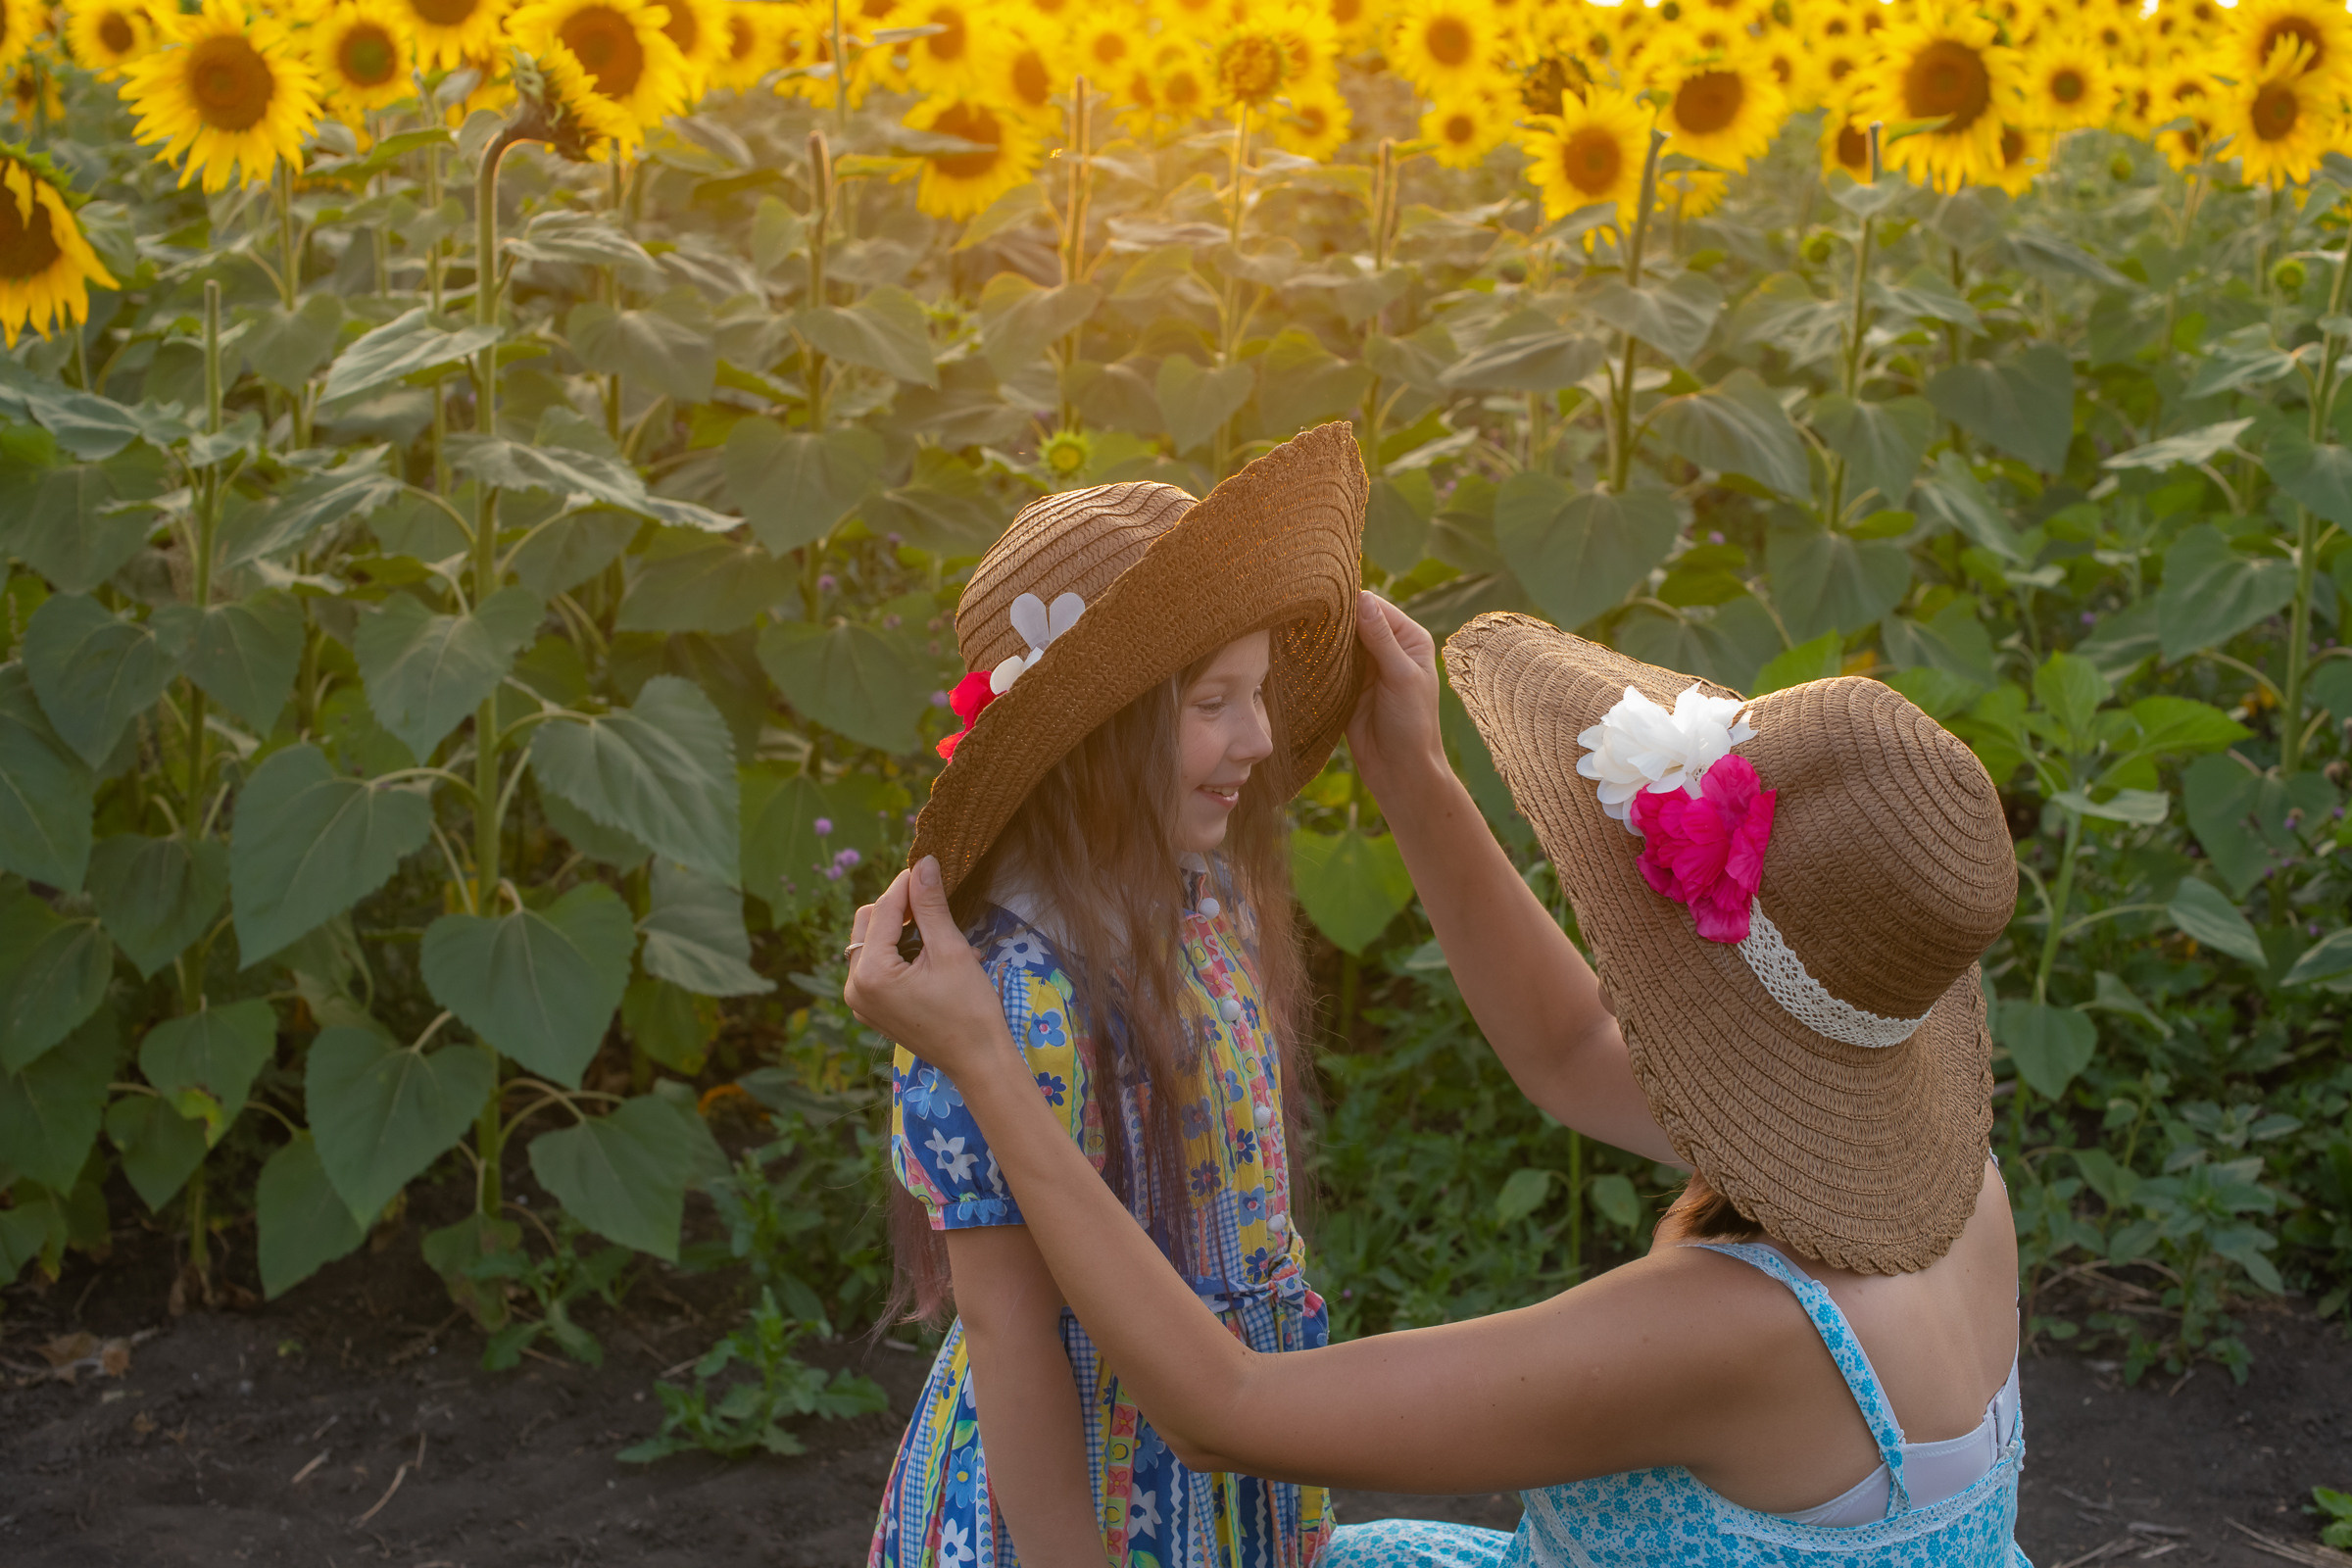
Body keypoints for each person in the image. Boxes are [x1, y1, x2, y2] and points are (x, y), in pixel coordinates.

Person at [849, 597, 2034, 1568]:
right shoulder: (1956, 1197)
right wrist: (1409, 771)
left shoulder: (1732, 1333)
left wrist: (986, 1068)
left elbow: (1224, 1409)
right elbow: (1573, 1051)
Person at [865, 423, 1370, 1568]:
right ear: (1097, 735)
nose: (1259, 736)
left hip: (1226, 1449)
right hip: (1085, 1498)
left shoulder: (1200, 902)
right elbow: (1006, 1320)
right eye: (1214, 702)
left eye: (1259, 693)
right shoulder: (1007, 982)